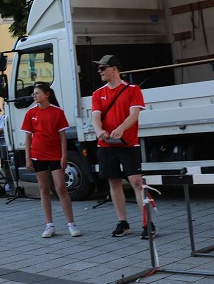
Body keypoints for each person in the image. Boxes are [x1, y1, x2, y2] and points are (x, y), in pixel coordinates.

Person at [91, 55, 148, 239]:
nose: (99, 71)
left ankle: (147, 223)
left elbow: (134, 114)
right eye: (99, 68)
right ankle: (122, 222)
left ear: (114, 69)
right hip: (106, 144)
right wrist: (99, 130)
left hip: (128, 143)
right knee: (113, 182)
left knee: (137, 182)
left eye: (103, 68)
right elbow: (95, 117)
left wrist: (121, 128)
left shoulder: (132, 89)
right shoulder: (97, 94)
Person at [23, 83, 81, 238]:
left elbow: (63, 137)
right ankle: (49, 225)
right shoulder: (30, 113)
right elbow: (28, 137)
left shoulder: (57, 112)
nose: (34, 96)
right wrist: (28, 158)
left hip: (55, 154)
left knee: (61, 187)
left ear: (46, 94)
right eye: (34, 94)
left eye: (37, 93)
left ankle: (71, 224)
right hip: (38, 154)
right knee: (43, 189)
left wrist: (64, 156)